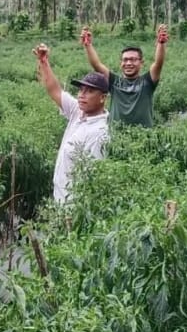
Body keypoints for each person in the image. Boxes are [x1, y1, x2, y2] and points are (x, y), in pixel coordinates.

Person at [34, 43, 111, 203]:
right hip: (60, 198)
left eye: (89, 91)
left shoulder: (100, 132)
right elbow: (55, 90)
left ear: (102, 98)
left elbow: (93, 179)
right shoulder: (78, 111)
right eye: (81, 90)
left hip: (74, 207)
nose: (82, 95)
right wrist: (44, 62)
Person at [79, 24, 167, 127]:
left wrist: (161, 43)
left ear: (141, 62)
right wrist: (88, 45)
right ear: (120, 63)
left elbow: (158, 63)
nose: (129, 63)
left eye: (133, 59)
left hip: (144, 137)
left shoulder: (147, 81)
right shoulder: (114, 81)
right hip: (117, 138)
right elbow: (97, 64)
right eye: (125, 60)